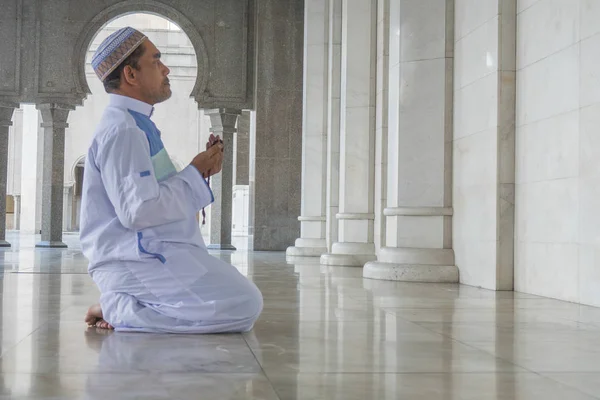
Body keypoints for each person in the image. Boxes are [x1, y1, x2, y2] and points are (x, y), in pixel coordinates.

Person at [79, 27, 263, 333]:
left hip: (152, 251)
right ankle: (120, 307)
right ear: (131, 75)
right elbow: (138, 212)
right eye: (156, 60)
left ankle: (128, 304)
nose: (166, 69)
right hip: (133, 259)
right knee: (243, 305)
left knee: (240, 300)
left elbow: (147, 196)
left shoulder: (138, 124)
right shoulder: (124, 131)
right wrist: (192, 172)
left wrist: (199, 171)